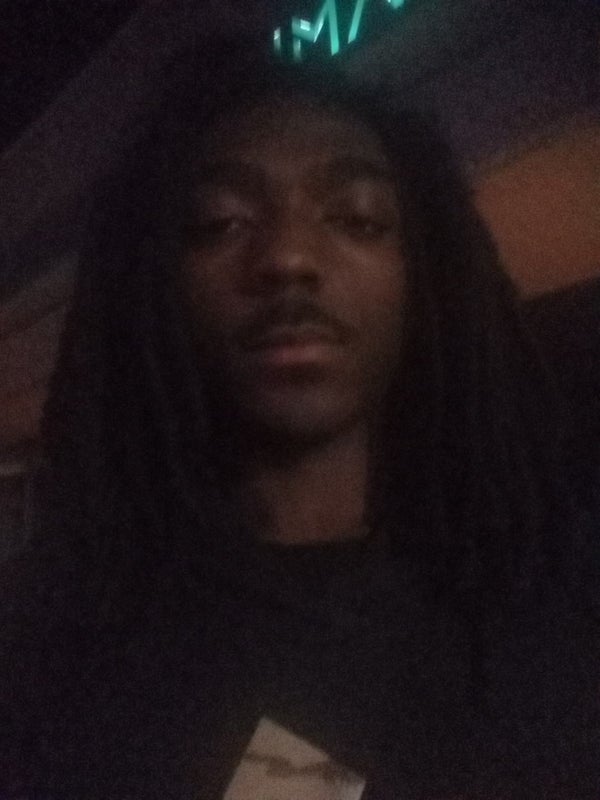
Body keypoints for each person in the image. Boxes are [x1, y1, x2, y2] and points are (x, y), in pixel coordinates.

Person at [1, 44, 599, 799]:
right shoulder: (50, 643)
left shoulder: (558, 598)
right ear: (153, 285)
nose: (287, 256)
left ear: (426, 274)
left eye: (356, 217)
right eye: (220, 222)